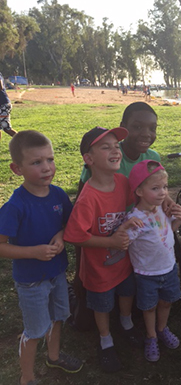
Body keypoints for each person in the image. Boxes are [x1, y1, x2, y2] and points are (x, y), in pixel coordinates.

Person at [0, 130, 83, 385]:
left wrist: (60, 235)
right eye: (37, 162)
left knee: (59, 317)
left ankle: (54, 356)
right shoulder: (15, 206)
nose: (47, 168)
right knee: (35, 331)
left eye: (50, 159)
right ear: (17, 169)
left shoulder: (58, 195)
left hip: (57, 273)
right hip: (31, 281)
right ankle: (27, 378)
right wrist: (33, 252)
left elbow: (68, 224)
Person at [63, 126, 144, 373]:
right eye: (105, 147)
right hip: (99, 269)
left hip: (124, 262)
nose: (115, 151)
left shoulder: (122, 181)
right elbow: (75, 236)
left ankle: (127, 324)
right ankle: (105, 340)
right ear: (89, 159)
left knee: (127, 291)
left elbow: (139, 199)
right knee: (102, 305)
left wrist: (167, 203)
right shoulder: (88, 198)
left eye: (116, 146)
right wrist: (110, 242)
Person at [121, 160, 181, 362]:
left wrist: (179, 220)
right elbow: (123, 242)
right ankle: (151, 336)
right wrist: (123, 229)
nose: (163, 193)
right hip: (147, 273)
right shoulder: (135, 218)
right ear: (139, 191)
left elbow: (166, 233)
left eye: (165, 187)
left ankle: (162, 328)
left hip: (169, 268)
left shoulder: (161, 210)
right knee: (148, 307)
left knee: (166, 303)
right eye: (155, 188)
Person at [0, 74, 17, 140]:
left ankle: (25, 143)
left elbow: (0, 86)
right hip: (2, 104)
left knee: (7, 129)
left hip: (2, 104)